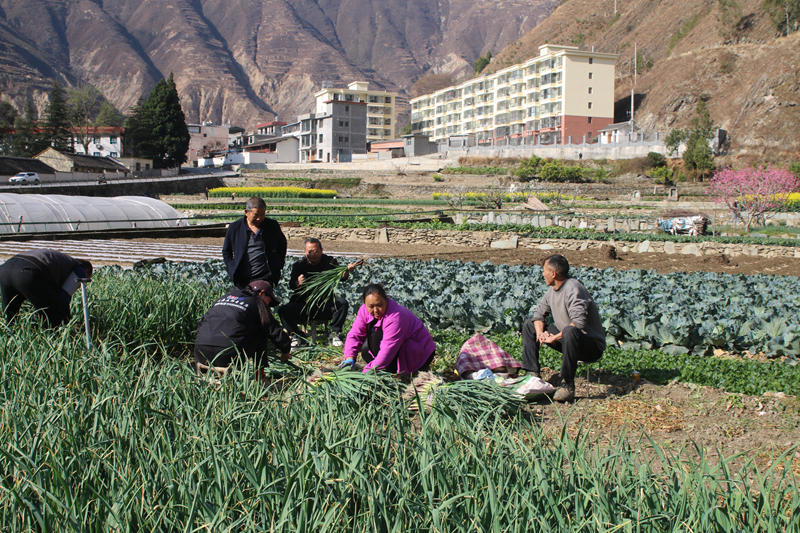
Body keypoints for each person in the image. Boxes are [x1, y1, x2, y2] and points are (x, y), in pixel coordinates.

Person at [521, 254, 605, 402]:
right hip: (566, 339)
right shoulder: (553, 289)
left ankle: (567, 384)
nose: (542, 274)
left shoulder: (573, 289)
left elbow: (579, 323)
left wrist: (554, 337)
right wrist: (540, 333)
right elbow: (539, 313)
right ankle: (532, 373)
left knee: (570, 330)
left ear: (553, 274)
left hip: (589, 346)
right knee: (530, 325)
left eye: (544, 270)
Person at [193, 280, 291, 376]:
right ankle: (259, 376)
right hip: (229, 354)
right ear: (262, 293)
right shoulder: (257, 303)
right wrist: (286, 352)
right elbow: (276, 332)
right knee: (261, 331)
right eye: (269, 301)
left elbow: (201, 323)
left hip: (201, 351)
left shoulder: (222, 299)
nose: (268, 305)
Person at [278, 238, 359, 347]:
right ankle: (296, 336)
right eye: (309, 251)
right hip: (304, 306)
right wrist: (298, 283)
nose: (312, 254)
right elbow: (292, 285)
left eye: (315, 251)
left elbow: (342, 278)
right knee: (283, 310)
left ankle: (334, 333)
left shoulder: (330, 262)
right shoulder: (299, 265)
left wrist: (347, 270)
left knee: (342, 303)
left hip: (324, 305)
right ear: (305, 252)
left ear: (321, 250)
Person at [339, 284, 436, 374]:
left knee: (377, 336)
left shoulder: (395, 316)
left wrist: (367, 372)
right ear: (365, 303)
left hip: (420, 351)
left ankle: (393, 372)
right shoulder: (364, 310)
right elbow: (355, 334)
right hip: (400, 347)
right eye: (371, 306)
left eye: (379, 305)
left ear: (386, 299)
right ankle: (384, 368)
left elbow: (388, 349)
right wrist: (349, 357)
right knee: (366, 352)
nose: (376, 310)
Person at [0, 249, 93, 327]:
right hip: (28, 272)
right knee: (53, 316)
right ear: (86, 271)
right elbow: (63, 297)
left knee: (10, 317)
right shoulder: (79, 269)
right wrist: (66, 322)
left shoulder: (63, 261)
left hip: (5, 270)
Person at [222, 197, 287, 289]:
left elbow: (282, 245)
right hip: (242, 278)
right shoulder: (235, 228)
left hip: (265, 276)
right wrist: (231, 267)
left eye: (262, 214)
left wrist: (279, 263)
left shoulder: (272, 226)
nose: (259, 218)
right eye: (255, 215)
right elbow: (226, 251)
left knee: (262, 303)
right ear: (246, 212)